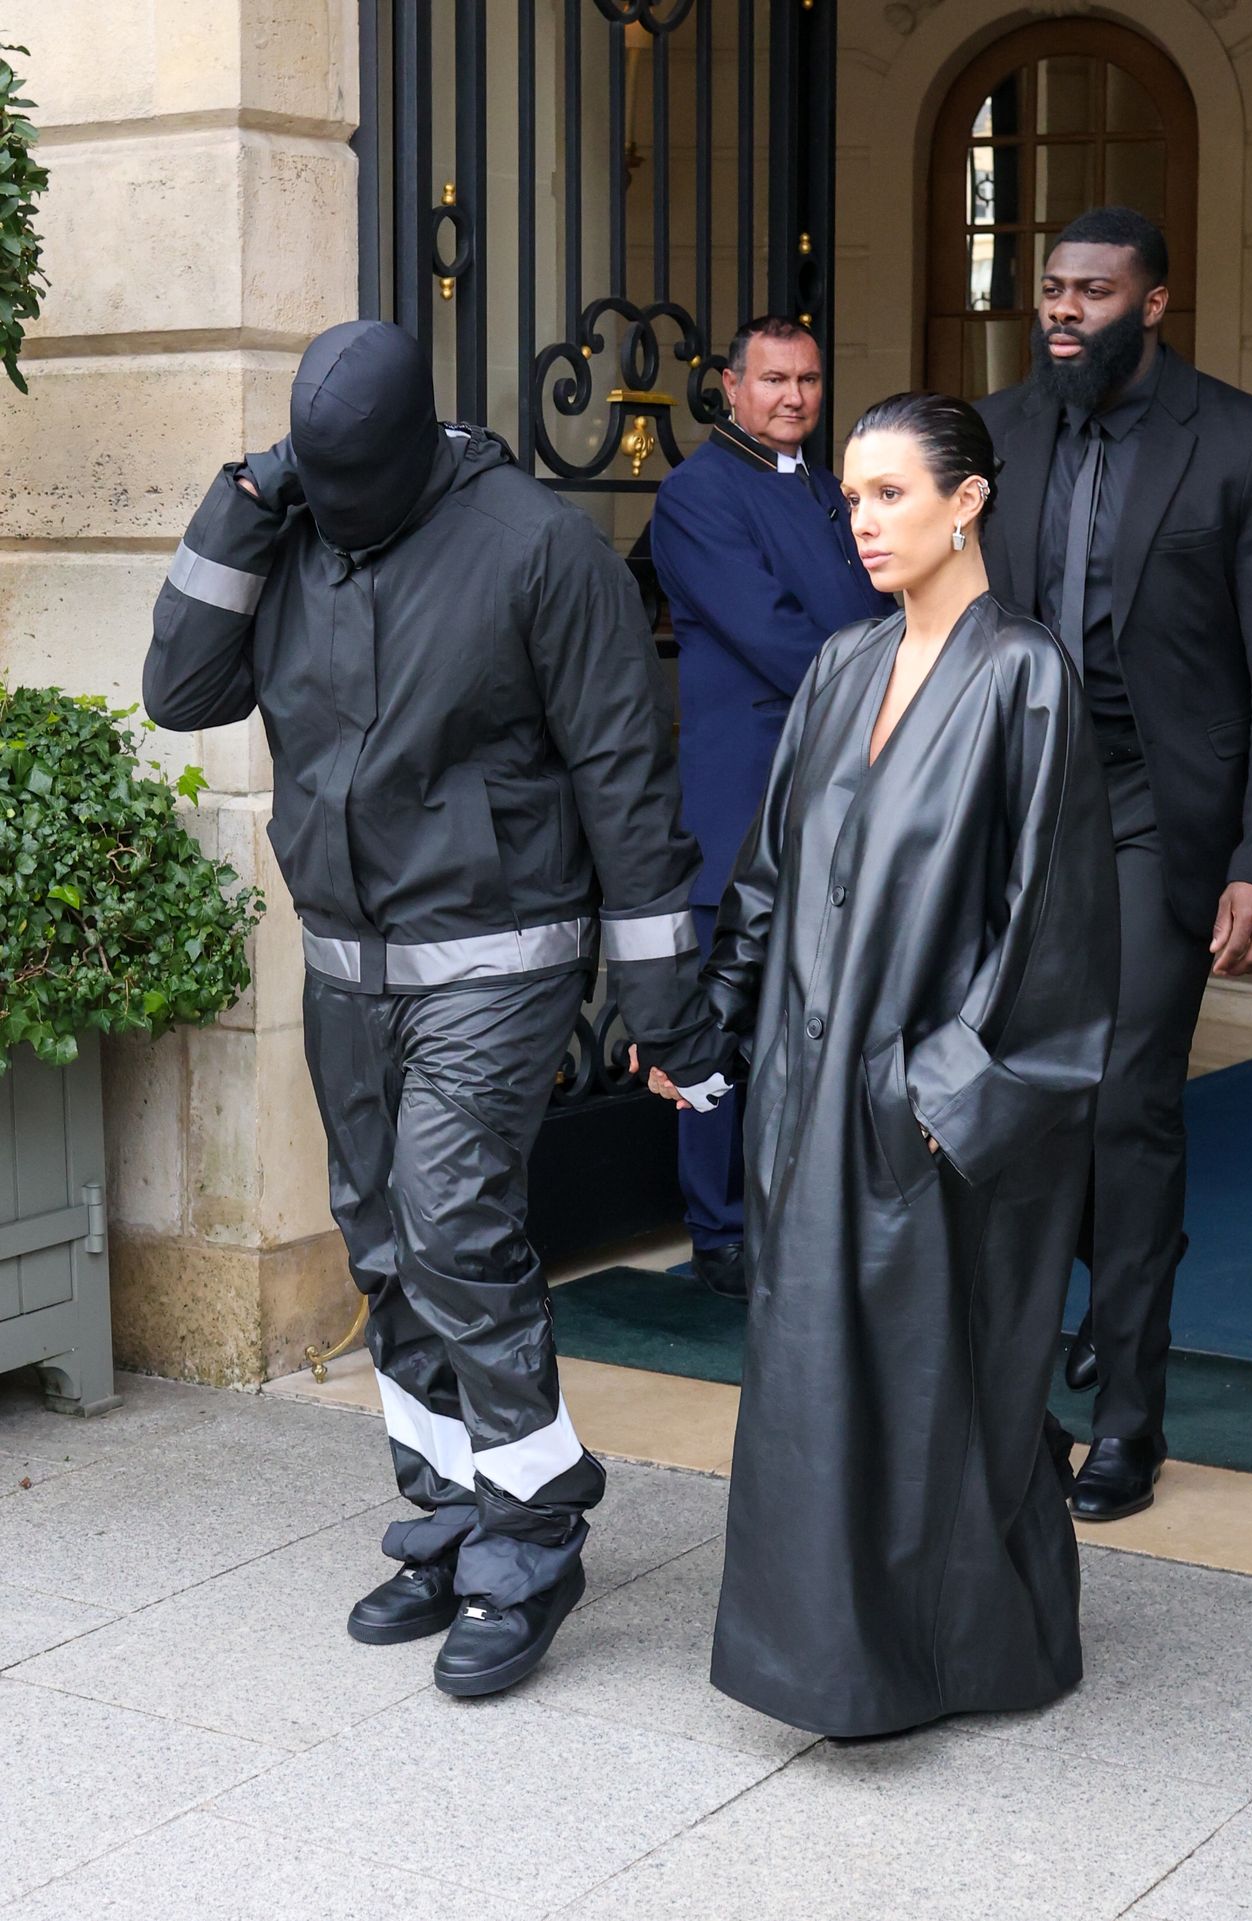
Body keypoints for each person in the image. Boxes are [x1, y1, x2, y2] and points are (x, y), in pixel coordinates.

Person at [143, 319, 727, 1698]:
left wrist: (663, 997)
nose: (334, 508)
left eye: (352, 482)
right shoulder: (284, 528)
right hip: (349, 964)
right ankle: (456, 1505)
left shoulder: (537, 548)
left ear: (414, 447)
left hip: (499, 955)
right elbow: (178, 690)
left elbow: (625, 782)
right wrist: (241, 504)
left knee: (454, 1218)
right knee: (384, 1240)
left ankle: (534, 1531)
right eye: (313, 480)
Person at [653, 392, 1120, 1738]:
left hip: (925, 1116)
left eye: (890, 495)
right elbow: (769, 875)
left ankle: (965, 1655)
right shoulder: (842, 666)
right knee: (815, 1389)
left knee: (936, 1391)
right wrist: (706, 1029)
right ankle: (829, 1662)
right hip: (807, 1104)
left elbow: (1059, 932)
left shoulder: (1026, 676)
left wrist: (939, 1098)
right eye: (850, 497)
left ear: (967, 500)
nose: (860, 521)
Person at [977, 207, 1252, 1522]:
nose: (1064, 311)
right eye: (1052, 289)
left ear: (1153, 304)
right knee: (1026, 1110)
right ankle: (1047, 1362)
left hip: (1164, 819)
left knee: (1125, 1104)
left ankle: (1130, 1423)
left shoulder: (1246, 443)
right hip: (1028, 814)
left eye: (1092, 292)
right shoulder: (996, 432)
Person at [649, 316, 893, 1300]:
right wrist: (897, 677)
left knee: (818, 1010)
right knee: (723, 1015)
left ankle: (805, 1210)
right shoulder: (695, 493)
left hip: (842, 781)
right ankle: (718, 1233)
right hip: (743, 791)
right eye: (772, 380)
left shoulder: (836, 492)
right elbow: (781, 637)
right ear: (729, 387)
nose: (792, 397)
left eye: (807, 379)